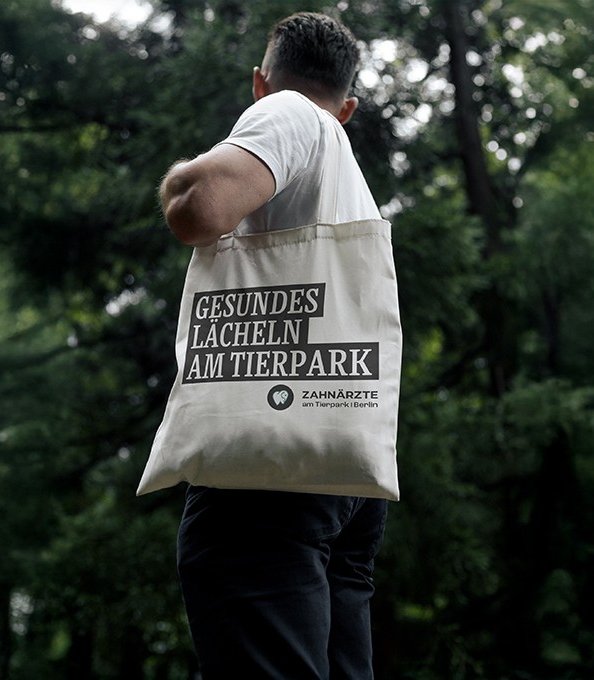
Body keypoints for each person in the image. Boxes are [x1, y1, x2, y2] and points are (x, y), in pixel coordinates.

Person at [157, 12, 388, 680]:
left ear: (260, 83)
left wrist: (179, 178)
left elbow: (200, 205)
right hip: (345, 470)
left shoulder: (286, 113)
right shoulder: (352, 189)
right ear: (347, 106)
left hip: (269, 463)